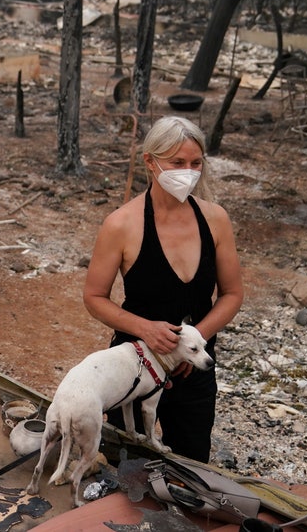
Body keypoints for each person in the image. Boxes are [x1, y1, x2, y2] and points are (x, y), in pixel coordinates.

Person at [83, 115, 243, 462]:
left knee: (192, 461)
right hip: (134, 365)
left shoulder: (215, 219)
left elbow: (232, 294)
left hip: (193, 369)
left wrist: (192, 340)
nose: (188, 171)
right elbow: (94, 297)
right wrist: (146, 330)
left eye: (195, 163)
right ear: (150, 162)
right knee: (128, 461)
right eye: (177, 163)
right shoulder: (122, 225)